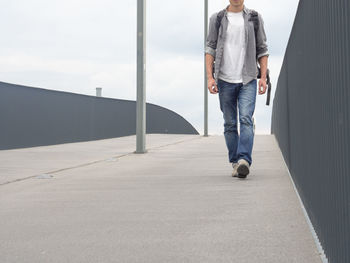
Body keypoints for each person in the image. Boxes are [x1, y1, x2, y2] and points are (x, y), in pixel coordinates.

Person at [205, 0, 269, 179]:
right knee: (230, 124)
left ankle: (243, 161)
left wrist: (263, 77)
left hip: (248, 78)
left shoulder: (254, 18)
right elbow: (210, 48)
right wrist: (210, 77)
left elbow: (262, 49)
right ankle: (235, 163)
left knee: (246, 119)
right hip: (224, 79)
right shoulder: (217, 19)